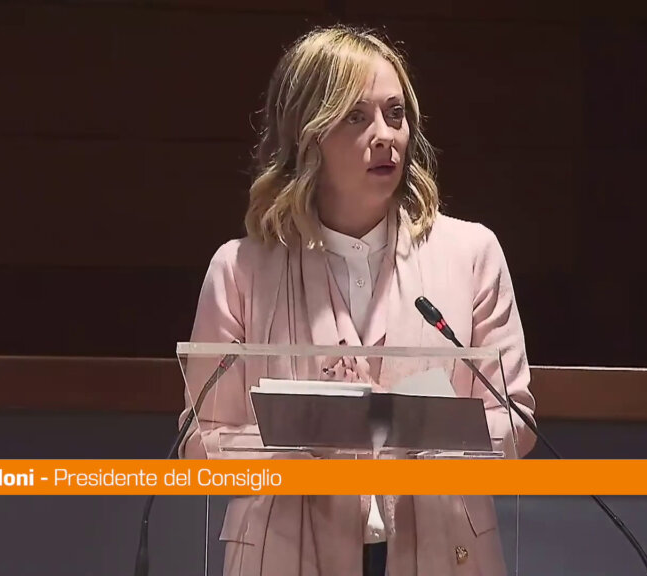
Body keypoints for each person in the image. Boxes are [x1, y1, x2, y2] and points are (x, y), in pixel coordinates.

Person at [178, 25, 538, 576]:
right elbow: (200, 443)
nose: (385, 135)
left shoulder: (471, 254)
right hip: (284, 551)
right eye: (356, 117)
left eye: (395, 114)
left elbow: (515, 422)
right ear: (307, 133)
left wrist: (408, 427)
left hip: (445, 549)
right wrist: (308, 440)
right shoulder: (240, 269)